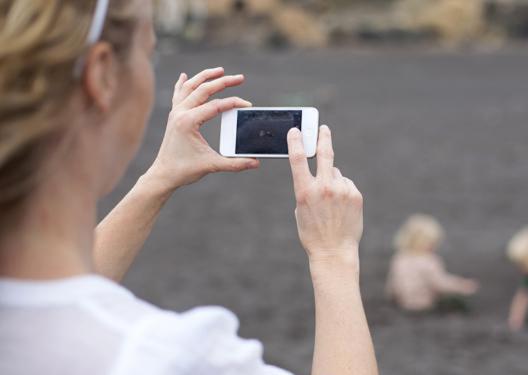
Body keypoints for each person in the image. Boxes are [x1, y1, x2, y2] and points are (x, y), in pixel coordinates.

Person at [0, 1, 378, 375]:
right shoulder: (166, 358)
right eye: (149, 56)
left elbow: (57, 300)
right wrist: (334, 258)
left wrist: (159, 179)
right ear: (103, 76)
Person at [386, 214, 478, 312]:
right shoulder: (429, 260)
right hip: (424, 304)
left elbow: (392, 285)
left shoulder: (399, 259)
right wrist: (462, 286)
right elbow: (440, 283)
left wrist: (394, 297)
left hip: (404, 303)